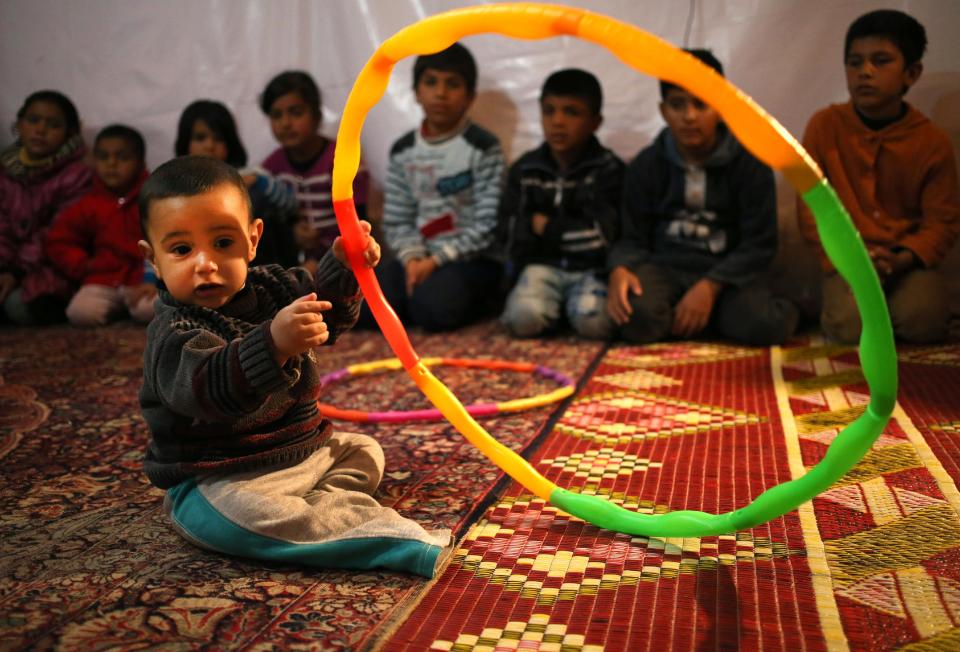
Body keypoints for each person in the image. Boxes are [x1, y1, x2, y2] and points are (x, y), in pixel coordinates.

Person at [136, 155, 450, 577]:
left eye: (223, 243)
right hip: (222, 476)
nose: (204, 263)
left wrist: (346, 264)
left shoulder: (275, 286)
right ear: (152, 258)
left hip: (303, 451)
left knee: (364, 450)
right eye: (180, 249)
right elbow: (207, 390)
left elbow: (329, 313)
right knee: (239, 518)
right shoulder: (175, 331)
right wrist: (273, 345)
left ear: (252, 239)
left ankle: (325, 501)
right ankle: (390, 540)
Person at [607, 49, 798, 345]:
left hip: (727, 273)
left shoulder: (749, 163)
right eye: (677, 105)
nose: (689, 116)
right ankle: (702, 318)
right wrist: (620, 269)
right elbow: (632, 236)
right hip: (665, 266)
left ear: (721, 107)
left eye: (701, 104)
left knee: (763, 324)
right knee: (634, 317)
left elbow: (759, 244)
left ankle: (704, 313)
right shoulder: (647, 164)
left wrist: (710, 286)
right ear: (662, 111)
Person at [797, 9, 959, 344]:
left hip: (907, 261)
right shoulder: (823, 127)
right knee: (850, 327)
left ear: (911, 73)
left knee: (923, 323)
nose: (865, 72)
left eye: (881, 61)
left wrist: (903, 257)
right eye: (855, 62)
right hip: (847, 263)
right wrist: (847, 259)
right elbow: (810, 207)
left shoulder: (932, 142)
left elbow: (943, 221)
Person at [362, 42, 505, 332]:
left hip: (470, 260)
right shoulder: (404, 150)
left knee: (433, 309)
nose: (440, 93)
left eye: (452, 84)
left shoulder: (483, 147)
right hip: (417, 258)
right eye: (431, 82)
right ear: (416, 92)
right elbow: (397, 219)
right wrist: (413, 258)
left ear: (469, 97)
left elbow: (487, 225)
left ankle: (478, 299)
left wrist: (437, 261)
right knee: (365, 310)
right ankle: (419, 294)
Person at [499, 68, 623, 339]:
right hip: (541, 268)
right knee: (523, 320)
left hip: (592, 271)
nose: (557, 122)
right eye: (549, 111)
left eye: (571, 112)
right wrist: (535, 228)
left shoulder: (608, 170)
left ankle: (564, 310)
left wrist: (545, 228)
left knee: (597, 324)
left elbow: (602, 239)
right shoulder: (527, 169)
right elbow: (508, 231)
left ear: (595, 121)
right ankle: (553, 309)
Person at [45, 125, 154, 326]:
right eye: (103, 157)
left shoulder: (152, 198)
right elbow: (59, 240)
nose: (111, 164)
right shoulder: (90, 203)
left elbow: (167, 242)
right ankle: (120, 313)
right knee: (80, 313)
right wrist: (84, 265)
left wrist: (157, 281)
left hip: (143, 280)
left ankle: (132, 311)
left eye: (122, 158)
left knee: (152, 309)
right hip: (104, 279)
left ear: (140, 162)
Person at [258, 71, 369, 268]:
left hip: (342, 260)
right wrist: (292, 233)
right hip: (294, 263)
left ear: (317, 115)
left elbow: (359, 224)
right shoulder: (272, 167)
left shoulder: (342, 160)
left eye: (296, 112)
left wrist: (321, 262)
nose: (285, 123)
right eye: (276, 115)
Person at [0, 90, 92, 325]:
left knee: (17, 306)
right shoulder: (6, 171)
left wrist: (16, 273)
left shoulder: (77, 175)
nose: (40, 130)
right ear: (19, 124)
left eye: (53, 124)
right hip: (9, 265)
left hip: (51, 266)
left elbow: (55, 233)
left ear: (69, 132)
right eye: (33, 120)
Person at [175, 99, 300, 267]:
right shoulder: (175, 189)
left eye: (219, 139)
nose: (210, 145)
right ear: (185, 143)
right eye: (200, 138)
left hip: (257, 268)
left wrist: (261, 182)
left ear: (230, 143)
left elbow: (291, 205)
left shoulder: (249, 177)